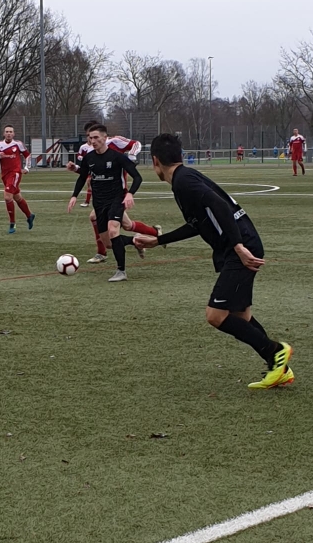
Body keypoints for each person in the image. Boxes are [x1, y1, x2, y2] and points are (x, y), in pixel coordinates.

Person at [133, 134, 293, 389]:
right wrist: (159, 240)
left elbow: (219, 205)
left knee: (215, 315)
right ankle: (279, 368)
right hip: (240, 244)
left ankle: (276, 353)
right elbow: (197, 223)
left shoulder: (183, 182)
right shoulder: (185, 177)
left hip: (240, 247)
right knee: (240, 315)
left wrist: (238, 245)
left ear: (155, 161)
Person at [67, 123, 159, 263]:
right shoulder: (88, 150)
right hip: (101, 196)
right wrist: (75, 170)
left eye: (94, 137)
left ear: (104, 136)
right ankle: (149, 234)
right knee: (126, 226)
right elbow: (89, 171)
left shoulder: (115, 142)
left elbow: (136, 144)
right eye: (88, 137)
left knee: (99, 221)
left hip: (117, 193)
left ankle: (102, 253)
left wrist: (132, 157)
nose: (91, 140)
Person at [0, 125, 35, 234]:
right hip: (5, 175)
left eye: (10, 132)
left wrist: (27, 168)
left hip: (15, 173)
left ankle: (12, 223)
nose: (8, 133)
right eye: (7, 132)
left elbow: (27, 155)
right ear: (3, 134)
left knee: (7, 197)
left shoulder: (18, 144)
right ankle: (29, 215)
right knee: (17, 197)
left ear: (13, 134)